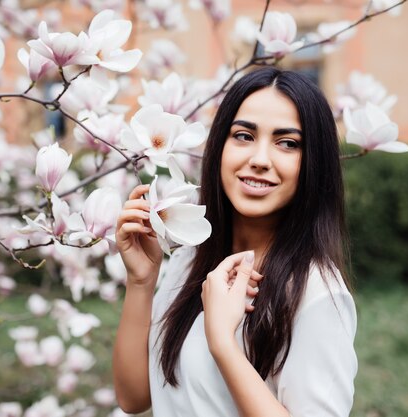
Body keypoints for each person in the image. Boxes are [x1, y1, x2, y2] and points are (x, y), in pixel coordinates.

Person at [113, 67, 358, 417]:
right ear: (220, 146)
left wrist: (224, 345)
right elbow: (134, 398)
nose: (258, 160)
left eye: (287, 143)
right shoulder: (191, 259)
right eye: (243, 136)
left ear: (312, 164)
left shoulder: (317, 294)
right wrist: (141, 281)